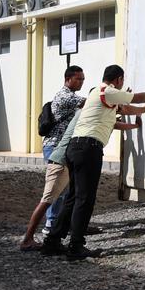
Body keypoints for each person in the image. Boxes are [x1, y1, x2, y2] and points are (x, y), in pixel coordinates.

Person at [42, 65, 145, 261]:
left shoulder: (98, 94)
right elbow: (136, 98)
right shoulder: (107, 91)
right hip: (88, 148)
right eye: (122, 81)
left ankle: (52, 241)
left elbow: (126, 108)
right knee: (85, 198)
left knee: (73, 197)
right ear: (118, 80)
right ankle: (76, 246)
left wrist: (142, 112)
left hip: (75, 148)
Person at [18, 66, 86, 251]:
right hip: (55, 147)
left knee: (65, 190)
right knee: (56, 192)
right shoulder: (66, 96)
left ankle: (62, 225)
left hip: (62, 147)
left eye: (83, 79)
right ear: (68, 79)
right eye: (79, 79)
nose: (81, 82)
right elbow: (91, 103)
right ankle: (48, 229)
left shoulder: (70, 98)